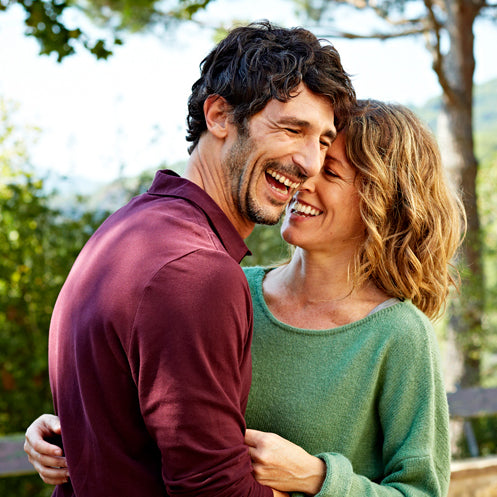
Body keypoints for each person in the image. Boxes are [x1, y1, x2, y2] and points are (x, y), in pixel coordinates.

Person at [26, 100, 465, 496]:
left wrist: (317, 477)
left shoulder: (399, 335)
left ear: (382, 201)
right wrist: (72, 432)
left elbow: (421, 492)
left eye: (329, 172)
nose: (304, 178)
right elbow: (162, 417)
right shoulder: (227, 289)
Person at [26, 21, 355, 497]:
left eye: (322, 141)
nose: (308, 163)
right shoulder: (195, 272)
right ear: (220, 115)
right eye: (290, 128)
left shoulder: (125, 230)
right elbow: (212, 489)